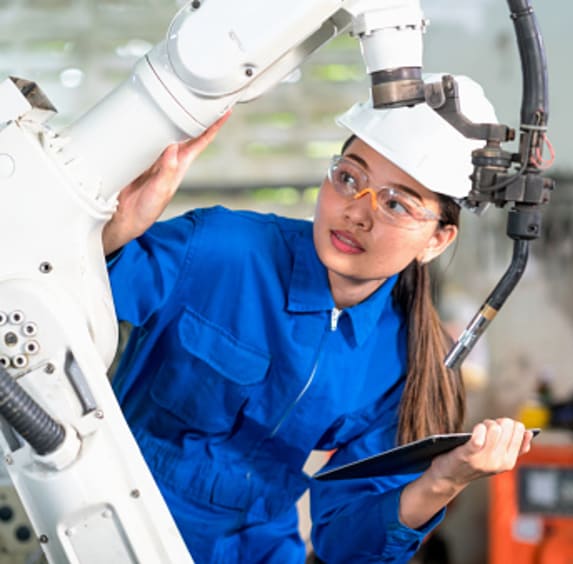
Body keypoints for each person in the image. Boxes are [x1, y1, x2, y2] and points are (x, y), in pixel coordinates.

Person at [103, 73, 534, 563]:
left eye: (396, 204)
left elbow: (343, 545)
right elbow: (57, 292)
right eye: (349, 178)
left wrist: (443, 482)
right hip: (109, 527)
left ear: (436, 240)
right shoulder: (222, 250)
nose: (357, 213)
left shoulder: (400, 363)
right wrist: (112, 231)